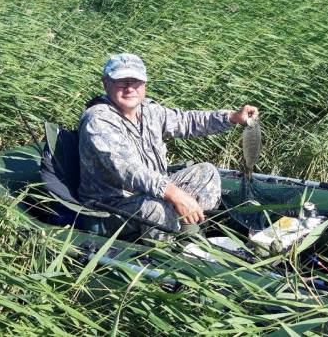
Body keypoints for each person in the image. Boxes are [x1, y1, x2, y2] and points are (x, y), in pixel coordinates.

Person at [77, 53, 258, 239]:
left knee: (207, 172)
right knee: (156, 208)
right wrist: (173, 194)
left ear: (144, 84)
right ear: (106, 83)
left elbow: (187, 121)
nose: (130, 88)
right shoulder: (98, 119)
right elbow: (130, 170)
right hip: (110, 208)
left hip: (152, 192)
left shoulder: (148, 110)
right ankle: (164, 256)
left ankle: (189, 235)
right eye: (121, 82)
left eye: (136, 81)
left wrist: (231, 117)